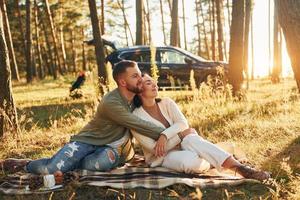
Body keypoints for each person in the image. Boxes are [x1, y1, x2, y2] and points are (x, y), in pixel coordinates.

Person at [0, 61, 169, 179]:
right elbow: (138, 124)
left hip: (112, 147)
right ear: (123, 82)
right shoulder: (111, 102)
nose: (140, 79)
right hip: (87, 141)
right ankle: (26, 164)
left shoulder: (137, 97)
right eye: (135, 76)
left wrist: (174, 131)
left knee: (103, 162)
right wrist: (168, 133)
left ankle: (70, 165)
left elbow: (156, 106)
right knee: (51, 169)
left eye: (140, 75)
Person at [131, 74, 270, 181]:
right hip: (163, 158)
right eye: (149, 83)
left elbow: (182, 123)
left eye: (154, 81)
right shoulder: (136, 117)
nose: (155, 84)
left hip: (186, 143)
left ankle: (242, 169)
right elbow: (155, 150)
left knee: (191, 139)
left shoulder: (167, 102)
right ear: (139, 89)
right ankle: (216, 155)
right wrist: (180, 135)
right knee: (190, 163)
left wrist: (165, 135)